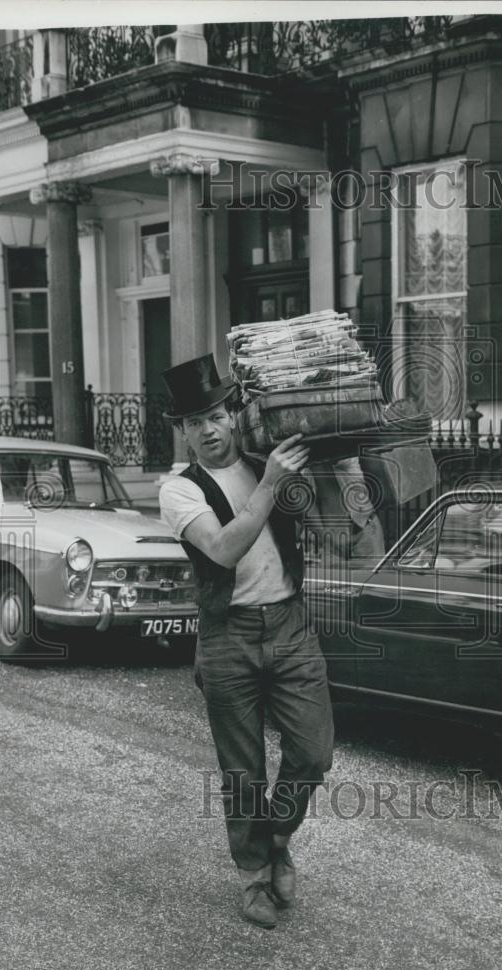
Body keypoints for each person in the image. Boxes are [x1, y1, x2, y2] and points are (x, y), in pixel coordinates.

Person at [157, 354, 334, 930]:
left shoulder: (269, 461)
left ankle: (277, 835)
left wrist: (335, 470)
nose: (208, 430)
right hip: (227, 635)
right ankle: (256, 877)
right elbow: (225, 548)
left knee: (312, 753)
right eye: (193, 422)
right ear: (181, 430)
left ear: (234, 413)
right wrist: (273, 483)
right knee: (243, 771)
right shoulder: (178, 490)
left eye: (215, 414)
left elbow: (335, 529)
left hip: (289, 625)